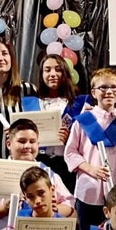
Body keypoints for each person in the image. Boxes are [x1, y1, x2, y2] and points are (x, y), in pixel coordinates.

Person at [64, 68, 116, 229]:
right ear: (93, 92)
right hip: (89, 190)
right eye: (103, 87)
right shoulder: (82, 121)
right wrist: (91, 169)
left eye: (114, 87)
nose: (109, 91)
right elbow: (70, 152)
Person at [0, 37, 38, 159]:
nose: (0, 58)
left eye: (5, 53)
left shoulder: (27, 90)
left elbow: (37, 125)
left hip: (22, 161)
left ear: (11, 58)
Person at [34, 53, 79, 190]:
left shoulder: (77, 104)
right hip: (40, 162)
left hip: (66, 163)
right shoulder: (33, 103)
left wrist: (70, 139)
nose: (53, 74)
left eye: (58, 69)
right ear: (41, 74)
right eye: (47, 70)